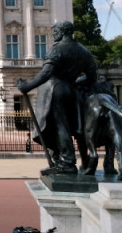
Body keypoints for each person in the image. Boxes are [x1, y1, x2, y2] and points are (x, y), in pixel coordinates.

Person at [17, 20, 100, 176]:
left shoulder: (57, 49)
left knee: (59, 126)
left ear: (63, 32)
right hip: (71, 91)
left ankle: (67, 162)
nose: (54, 34)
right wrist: (75, 82)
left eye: (55, 31)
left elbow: (46, 73)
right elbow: (92, 77)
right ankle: (60, 159)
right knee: (63, 127)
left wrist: (28, 86)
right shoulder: (84, 51)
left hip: (55, 89)